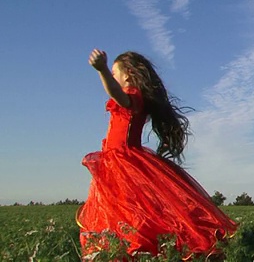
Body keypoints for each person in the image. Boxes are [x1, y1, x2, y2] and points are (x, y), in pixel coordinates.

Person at [77, 49, 237, 259]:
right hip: (113, 164)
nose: (114, 77)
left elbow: (116, 93)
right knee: (119, 216)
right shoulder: (132, 97)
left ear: (129, 74)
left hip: (125, 164)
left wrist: (102, 71)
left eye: (116, 73)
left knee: (136, 216)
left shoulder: (132, 97)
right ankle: (122, 253)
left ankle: (139, 251)